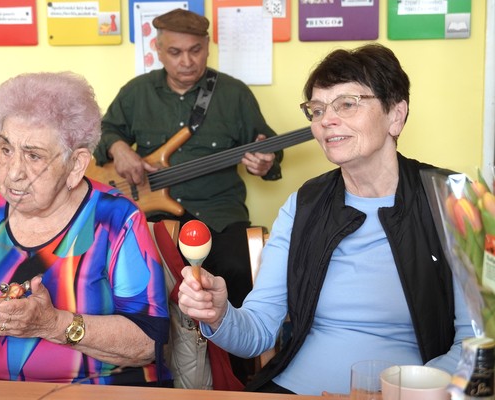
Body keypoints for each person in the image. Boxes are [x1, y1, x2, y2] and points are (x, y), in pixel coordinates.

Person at [177, 43, 476, 395]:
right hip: (292, 389)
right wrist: (220, 314)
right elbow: (257, 332)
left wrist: (403, 391)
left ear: (396, 115)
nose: (326, 120)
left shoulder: (453, 198)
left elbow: (475, 342)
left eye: (347, 104)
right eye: (317, 110)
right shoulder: (303, 205)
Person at [0, 71, 172, 386]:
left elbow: (148, 343)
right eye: (6, 149)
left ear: (76, 164)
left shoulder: (115, 219)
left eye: (34, 156)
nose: (13, 172)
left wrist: (52, 324)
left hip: (95, 390)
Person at [93, 8, 283, 383]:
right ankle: (155, 375)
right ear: (157, 49)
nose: (186, 61)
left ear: (208, 47)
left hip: (220, 215)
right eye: (175, 52)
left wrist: (265, 162)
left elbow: (268, 150)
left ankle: (239, 379)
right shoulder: (137, 92)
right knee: (139, 280)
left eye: (195, 51)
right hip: (155, 220)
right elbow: (103, 134)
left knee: (236, 274)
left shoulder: (233, 94)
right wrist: (118, 148)